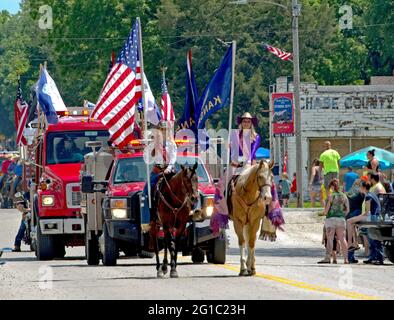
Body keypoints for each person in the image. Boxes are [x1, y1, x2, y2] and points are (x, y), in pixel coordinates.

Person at [142, 120, 177, 224]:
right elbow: (147, 160)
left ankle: (190, 213)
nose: (163, 132)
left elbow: (173, 158)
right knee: (145, 193)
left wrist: (169, 168)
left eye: (165, 130)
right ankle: (146, 221)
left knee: (185, 185)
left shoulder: (171, 144)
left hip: (169, 170)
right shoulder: (153, 144)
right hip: (157, 170)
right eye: (161, 130)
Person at [346, 181, 382, 261]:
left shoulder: (368, 196)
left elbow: (367, 212)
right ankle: (354, 243)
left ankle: (350, 244)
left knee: (349, 221)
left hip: (371, 217)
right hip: (374, 216)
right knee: (353, 224)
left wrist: (359, 216)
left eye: (360, 187)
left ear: (363, 188)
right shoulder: (371, 194)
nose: (359, 188)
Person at [318, 179, 349, 264]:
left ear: (331, 187)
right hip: (341, 219)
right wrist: (342, 215)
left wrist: (322, 213)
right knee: (342, 239)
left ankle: (327, 258)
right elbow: (347, 210)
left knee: (330, 239)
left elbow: (326, 210)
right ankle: (346, 259)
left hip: (331, 220)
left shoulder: (331, 196)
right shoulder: (344, 196)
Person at [345, 180, 365, 263]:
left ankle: (350, 257)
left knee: (348, 236)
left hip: (348, 213)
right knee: (353, 234)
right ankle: (351, 256)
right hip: (357, 212)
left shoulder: (349, 192)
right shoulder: (361, 193)